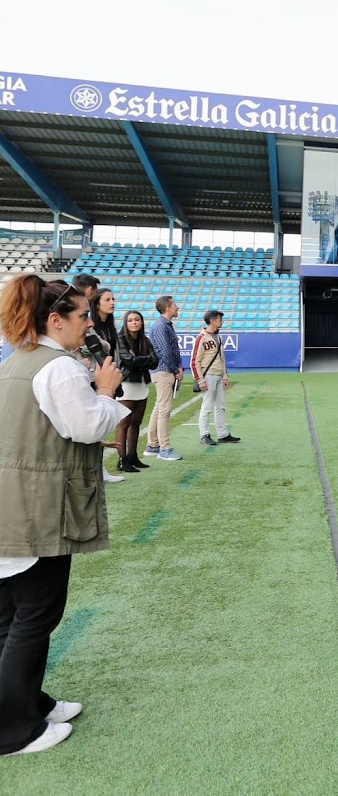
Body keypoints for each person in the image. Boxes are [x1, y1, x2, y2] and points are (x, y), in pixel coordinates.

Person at [0, 275, 128, 756]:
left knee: (12, 617)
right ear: (56, 320)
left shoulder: (17, 362)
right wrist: (107, 391)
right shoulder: (59, 368)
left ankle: (27, 703)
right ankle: (14, 729)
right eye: (81, 316)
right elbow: (87, 426)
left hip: (13, 506)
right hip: (38, 510)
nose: (88, 324)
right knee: (33, 617)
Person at [88, 290, 124, 483]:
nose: (112, 302)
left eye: (113, 299)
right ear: (97, 303)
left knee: (102, 425)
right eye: (107, 299)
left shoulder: (111, 327)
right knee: (95, 424)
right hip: (94, 379)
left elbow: (114, 353)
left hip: (109, 377)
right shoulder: (91, 327)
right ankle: (97, 469)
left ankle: (99, 469)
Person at [114, 310, 157, 472]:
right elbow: (129, 360)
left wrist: (141, 360)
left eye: (137, 319)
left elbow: (155, 361)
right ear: (126, 323)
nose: (134, 322)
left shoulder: (145, 340)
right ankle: (122, 459)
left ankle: (133, 456)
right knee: (124, 423)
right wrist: (144, 360)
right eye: (130, 320)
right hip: (127, 383)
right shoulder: (120, 339)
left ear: (141, 322)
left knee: (136, 422)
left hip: (141, 383)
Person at [143, 295, 184, 461]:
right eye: (175, 305)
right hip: (164, 371)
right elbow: (165, 352)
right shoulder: (161, 326)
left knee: (159, 407)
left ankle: (153, 444)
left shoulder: (165, 325)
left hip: (164, 370)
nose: (177, 307)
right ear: (167, 308)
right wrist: (175, 370)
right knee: (165, 410)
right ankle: (164, 448)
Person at [191, 311, 239, 446]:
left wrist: (225, 376)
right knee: (207, 406)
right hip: (208, 376)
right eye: (219, 319)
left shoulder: (218, 337)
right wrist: (200, 379)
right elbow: (195, 361)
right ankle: (204, 434)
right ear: (212, 321)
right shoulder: (202, 338)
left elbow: (222, 359)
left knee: (221, 406)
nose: (222, 321)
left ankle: (222, 433)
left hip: (217, 375)